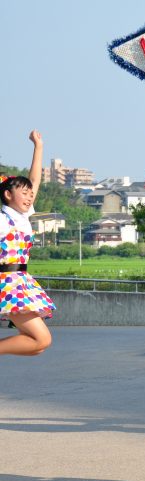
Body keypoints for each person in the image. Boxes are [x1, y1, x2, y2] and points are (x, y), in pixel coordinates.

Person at [0, 130, 54, 358]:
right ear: (8, 195)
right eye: (24, 193)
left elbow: (35, 180)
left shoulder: (22, 216)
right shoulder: (2, 219)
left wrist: (38, 147)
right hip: (7, 281)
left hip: (20, 281)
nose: (30, 196)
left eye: (31, 194)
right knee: (42, 339)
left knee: (37, 347)